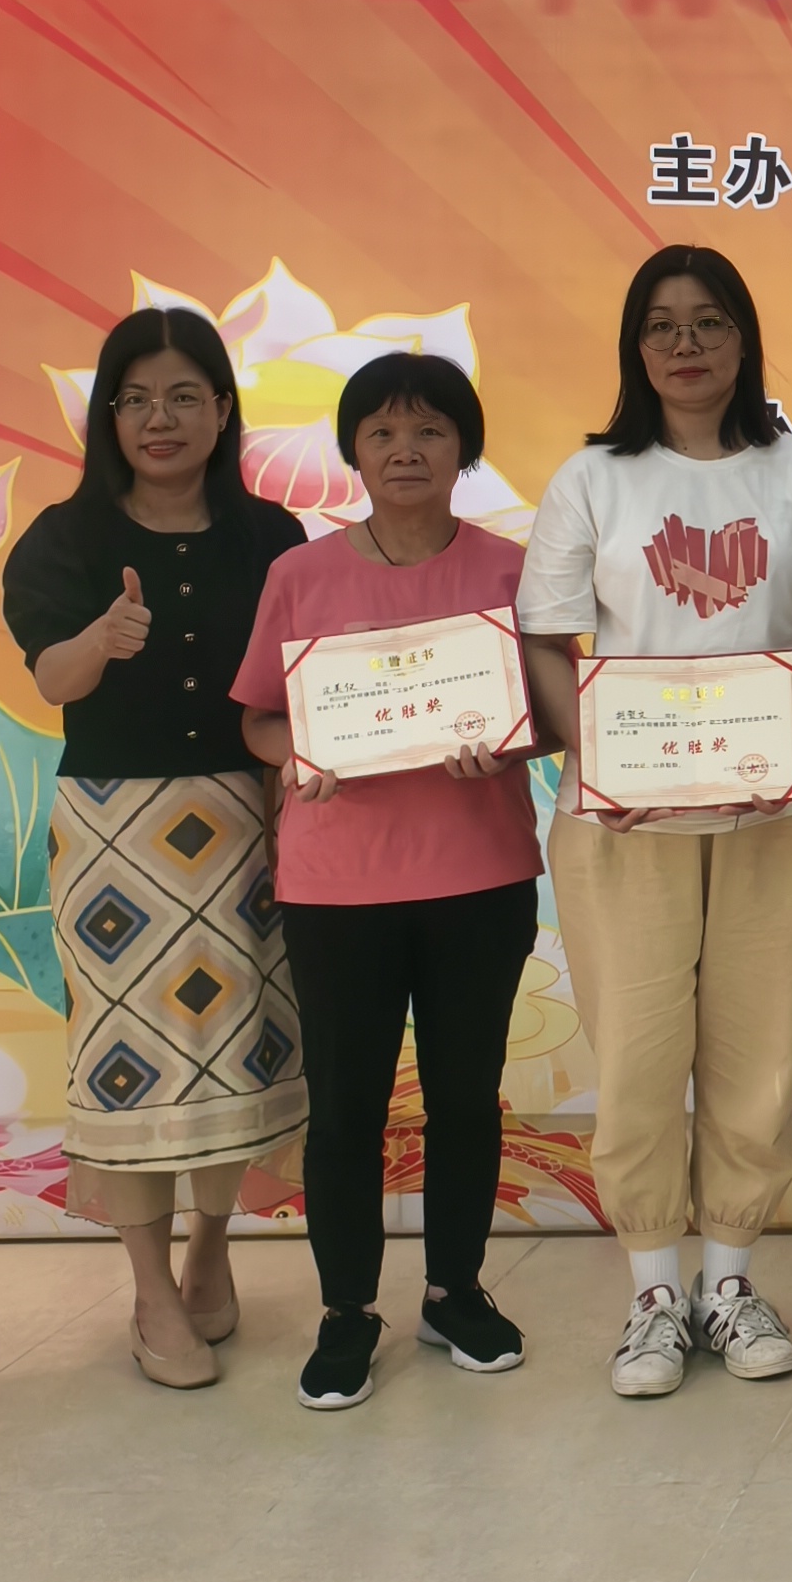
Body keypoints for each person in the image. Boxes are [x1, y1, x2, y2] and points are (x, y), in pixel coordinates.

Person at [519, 248, 792, 1400]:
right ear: (635, 345)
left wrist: (787, 740)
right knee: (636, 1056)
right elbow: (545, 638)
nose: (685, 345)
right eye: (662, 325)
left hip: (782, 813)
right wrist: (600, 753)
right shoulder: (592, 479)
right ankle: (652, 1296)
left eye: (709, 323)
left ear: (743, 340)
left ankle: (729, 1281)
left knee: (760, 1054)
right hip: (626, 821)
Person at [2, 306, 313, 1388]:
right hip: (112, 832)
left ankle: (210, 1251)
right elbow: (53, 681)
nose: (159, 418)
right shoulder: (65, 538)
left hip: (244, 821)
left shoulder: (272, 537)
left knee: (239, 1045)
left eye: (183, 396)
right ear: (107, 416)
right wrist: (100, 639)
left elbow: (299, 685)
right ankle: (149, 1291)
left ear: (223, 409)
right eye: (134, 399)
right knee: (126, 1061)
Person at [232, 354, 540, 1410]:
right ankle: (346, 1311)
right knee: (345, 1109)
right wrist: (299, 750)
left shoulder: (511, 571)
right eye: (382, 433)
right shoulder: (301, 575)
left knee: (464, 1098)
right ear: (354, 452)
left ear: (465, 449)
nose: (406, 451)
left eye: (430, 432)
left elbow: (549, 714)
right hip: (336, 887)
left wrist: (506, 744)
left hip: (480, 876)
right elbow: (259, 717)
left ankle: (456, 1291)